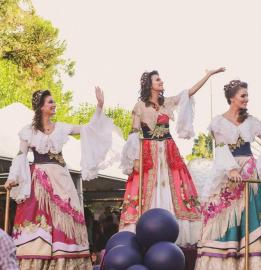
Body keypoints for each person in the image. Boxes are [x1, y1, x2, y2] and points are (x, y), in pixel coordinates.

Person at [4, 87, 117, 269]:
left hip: (61, 180)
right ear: (41, 106)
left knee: (65, 221)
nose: (54, 104)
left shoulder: (61, 128)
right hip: (38, 182)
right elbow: (20, 155)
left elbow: (88, 129)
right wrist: (12, 177)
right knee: (40, 222)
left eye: (54, 102)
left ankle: (65, 264)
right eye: (50, 102)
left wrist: (99, 106)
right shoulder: (28, 131)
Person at [119, 68, 225, 246]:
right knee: (146, 189)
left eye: (161, 79)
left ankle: (172, 230)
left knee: (174, 186)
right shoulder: (140, 106)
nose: (161, 82)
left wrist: (208, 75)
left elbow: (189, 92)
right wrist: (135, 158)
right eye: (157, 80)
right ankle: (147, 229)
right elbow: (134, 132)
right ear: (149, 84)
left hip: (168, 150)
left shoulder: (167, 102)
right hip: (148, 152)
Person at [195, 80, 261, 270]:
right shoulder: (218, 123)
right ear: (232, 98)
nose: (247, 99)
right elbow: (220, 147)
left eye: (247, 95)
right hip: (227, 171)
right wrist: (231, 169)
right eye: (243, 95)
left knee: (250, 214)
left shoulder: (252, 122)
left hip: (248, 171)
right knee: (221, 214)